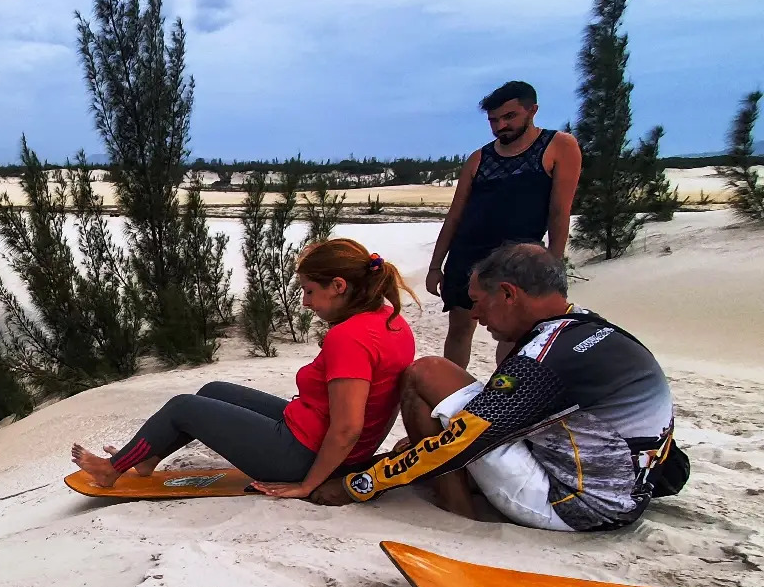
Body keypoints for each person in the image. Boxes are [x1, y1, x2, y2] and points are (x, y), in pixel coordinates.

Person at [336, 243, 685, 531]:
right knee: (429, 428)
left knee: (425, 374)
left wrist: (360, 484)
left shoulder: (542, 357)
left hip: (577, 505)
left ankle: (456, 513)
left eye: (477, 302)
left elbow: (466, 438)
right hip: (627, 489)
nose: (474, 315)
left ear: (507, 294)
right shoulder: (586, 326)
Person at [71, 240, 417, 498]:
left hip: (303, 456)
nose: (305, 302)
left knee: (183, 405)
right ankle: (146, 459)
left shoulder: (351, 338)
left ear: (339, 286)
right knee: (213, 391)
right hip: (311, 432)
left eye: (310, 291)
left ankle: (109, 471)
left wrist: (309, 485)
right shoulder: (390, 322)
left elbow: (347, 429)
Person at [426, 80, 582, 369]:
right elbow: (455, 215)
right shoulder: (480, 158)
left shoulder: (559, 146)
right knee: (460, 328)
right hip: (467, 256)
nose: (500, 126)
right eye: (494, 120)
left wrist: (552, 268)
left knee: (514, 336)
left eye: (509, 117)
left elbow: (560, 213)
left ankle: (504, 403)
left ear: (532, 110)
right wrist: (436, 266)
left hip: (518, 260)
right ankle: (450, 397)